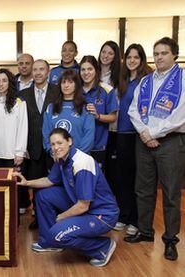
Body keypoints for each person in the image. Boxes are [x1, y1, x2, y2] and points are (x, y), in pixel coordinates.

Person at [13, 128, 119, 267]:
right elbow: (50, 181)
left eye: (59, 143)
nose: (56, 147)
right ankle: (50, 242)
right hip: (80, 203)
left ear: (69, 141)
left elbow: (83, 205)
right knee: (43, 195)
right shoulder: (62, 158)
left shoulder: (81, 164)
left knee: (57, 234)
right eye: (53, 144)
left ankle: (102, 247)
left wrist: (62, 216)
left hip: (102, 214)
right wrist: (28, 183)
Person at [126, 37, 185, 261]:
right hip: (144, 141)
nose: (159, 57)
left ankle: (170, 240)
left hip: (170, 141)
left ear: (174, 55)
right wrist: (144, 132)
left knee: (170, 192)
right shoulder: (146, 81)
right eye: (156, 53)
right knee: (143, 189)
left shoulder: (183, 79)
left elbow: (180, 115)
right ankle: (145, 231)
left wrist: (154, 133)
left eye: (164, 53)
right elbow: (133, 109)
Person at [114, 44, 152, 235]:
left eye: (136, 57)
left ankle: (136, 220)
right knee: (123, 179)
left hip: (138, 135)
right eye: (129, 57)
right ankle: (124, 215)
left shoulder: (147, 80)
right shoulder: (123, 80)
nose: (132, 60)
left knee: (139, 180)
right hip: (122, 134)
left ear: (142, 59)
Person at [20, 59, 59, 228]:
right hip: (33, 147)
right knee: (36, 184)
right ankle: (38, 217)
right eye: (35, 69)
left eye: (41, 69)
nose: (37, 73)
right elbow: (20, 123)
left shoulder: (58, 92)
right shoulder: (23, 95)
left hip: (55, 147)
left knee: (54, 183)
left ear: (48, 71)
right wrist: (23, 146)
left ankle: (56, 217)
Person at [42, 69, 95, 155]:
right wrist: (53, 152)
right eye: (63, 82)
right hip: (56, 158)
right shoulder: (51, 108)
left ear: (76, 85)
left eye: (70, 82)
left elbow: (89, 136)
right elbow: (46, 133)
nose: (66, 85)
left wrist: (76, 156)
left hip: (79, 158)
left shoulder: (86, 108)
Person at [80, 55, 118, 169]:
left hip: (98, 144)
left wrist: (98, 116)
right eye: (83, 69)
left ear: (96, 71)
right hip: (78, 144)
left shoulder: (107, 89)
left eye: (90, 69)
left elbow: (113, 117)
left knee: (97, 179)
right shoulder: (75, 89)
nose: (86, 73)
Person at [0, 68, 27, 167]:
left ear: (10, 83)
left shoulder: (19, 102)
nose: (1, 84)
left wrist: (20, 152)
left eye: (4, 81)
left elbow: (22, 128)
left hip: (12, 155)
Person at [98, 41, 121, 194]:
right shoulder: (91, 71)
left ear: (115, 57)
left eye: (110, 53)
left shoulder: (118, 76)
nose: (106, 56)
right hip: (95, 127)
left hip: (112, 127)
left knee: (110, 169)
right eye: (104, 52)